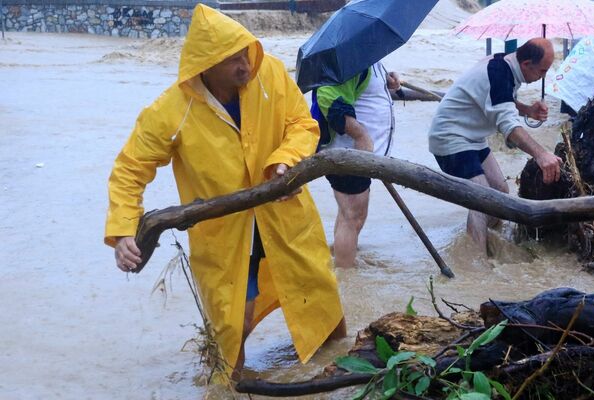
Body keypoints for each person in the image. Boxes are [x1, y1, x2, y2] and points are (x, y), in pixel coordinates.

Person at [105, 4, 345, 381]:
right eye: (232, 60)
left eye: (245, 53)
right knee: (234, 317)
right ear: (205, 65)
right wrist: (123, 230)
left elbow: (302, 123)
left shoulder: (270, 74)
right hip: (225, 231)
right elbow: (130, 169)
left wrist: (284, 162)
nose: (245, 66)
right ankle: (228, 382)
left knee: (320, 295)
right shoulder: (172, 110)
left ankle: (336, 373)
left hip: (284, 212)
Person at [428, 38, 562, 255]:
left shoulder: (505, 63)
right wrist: (541, 154)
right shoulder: (499, 73)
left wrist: (527, 110)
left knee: (500, 191)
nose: (543, 77)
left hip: (473, 139)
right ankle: (477, 266)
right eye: (542, 71)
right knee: (480, 199)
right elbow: (508, 126)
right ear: (527, 64)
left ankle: (488, 244)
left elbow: (500, 100)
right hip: (450, 139)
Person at [311, 62, 400, 268]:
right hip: (348, 154)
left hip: (361, 156)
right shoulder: (348, 61)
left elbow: (363, 89)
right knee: (353, 217)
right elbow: (327, 97)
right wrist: (360, 134)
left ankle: (339, 260)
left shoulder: (368, 58)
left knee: (349, 215)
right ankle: (347, 278)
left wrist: (387, 81)